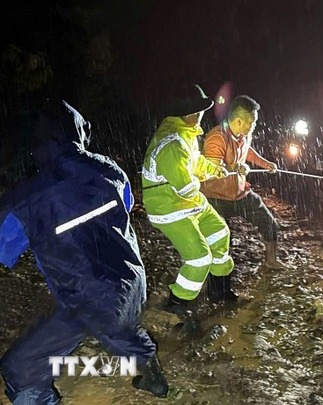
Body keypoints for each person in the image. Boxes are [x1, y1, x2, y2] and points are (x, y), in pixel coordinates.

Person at [0, 100, 168, 403]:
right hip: (132, 283)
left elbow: (4, 247)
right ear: (78, 131)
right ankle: (154, 378)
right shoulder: (111, 170)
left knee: (18, 368)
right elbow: (126, 208)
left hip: (87, 299)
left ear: (36, 143)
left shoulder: (28, 196)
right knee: (120, 324)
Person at [141, 84, 236, 312]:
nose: (203, 115)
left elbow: (196, 162)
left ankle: (219, 289)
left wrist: (215, 169)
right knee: (199, 258)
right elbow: (185, 187)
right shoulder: (171, 144)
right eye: (201, 111)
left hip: (189, 203)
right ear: (192, 114)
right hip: (169, 208)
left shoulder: (185, 134)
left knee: (220, 233)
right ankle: (177, 303)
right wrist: (209, 181)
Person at [200, 95, 286, 269]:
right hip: (215, 197)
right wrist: (234, 167)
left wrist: (266, 164)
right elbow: (212, 168)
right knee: (218, 238)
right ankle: (212, 278)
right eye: (252, 122)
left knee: (268, 222)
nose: (254, 126)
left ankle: (271, 260)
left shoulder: (244, 135)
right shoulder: (217, 138)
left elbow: (248, 152)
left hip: (239, 193)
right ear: (239, 121)